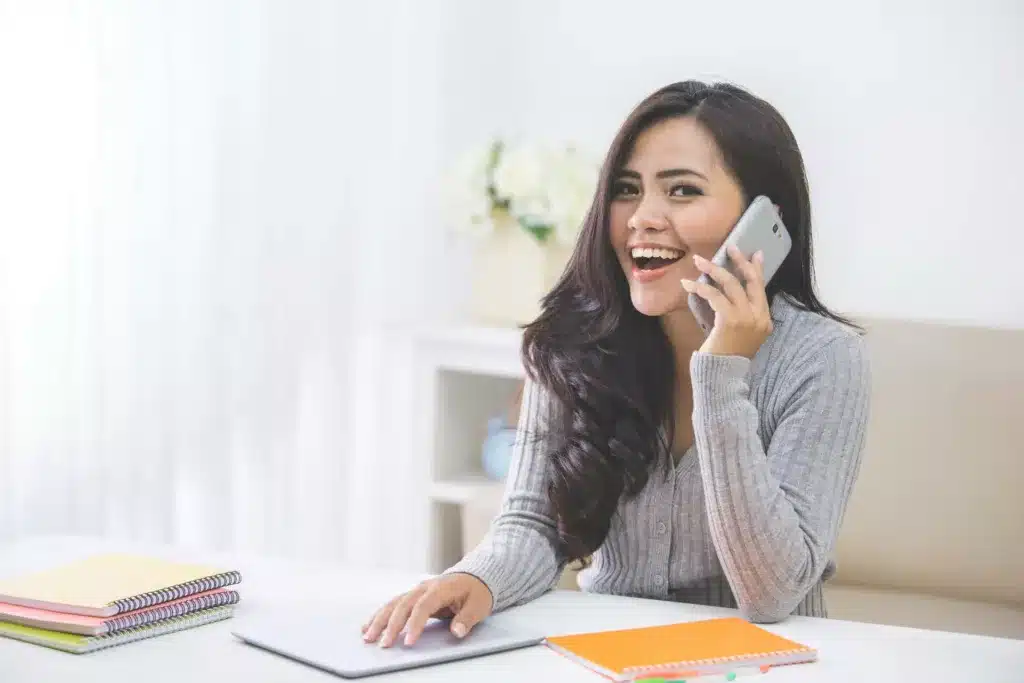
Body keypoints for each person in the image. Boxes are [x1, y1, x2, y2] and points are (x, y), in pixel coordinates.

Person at [362, 80, 872, 648]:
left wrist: (722, 377)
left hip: (763, 660)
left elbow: (771, 593)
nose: (641, 218)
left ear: (763, 220)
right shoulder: (576, 341)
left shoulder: (824, 358)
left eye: (682, 191)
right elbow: (533, 524)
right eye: (627, 190)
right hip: (608, 650)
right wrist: (475, 578)